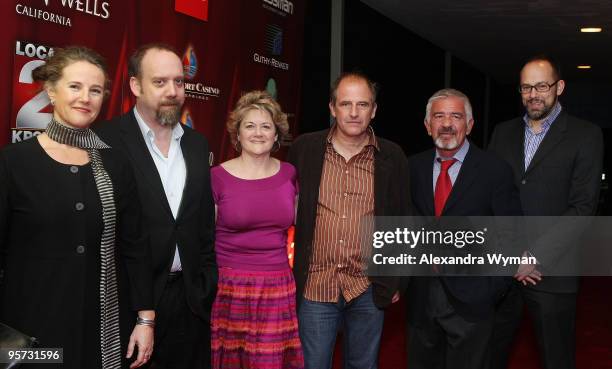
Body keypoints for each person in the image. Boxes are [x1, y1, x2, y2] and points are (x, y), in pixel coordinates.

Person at [0, 46, 154, 369]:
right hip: (30, 332)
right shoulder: (13, 162)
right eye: (75, 87)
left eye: (95, 90)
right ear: (51, 91)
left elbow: (135, 246)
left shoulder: (115, 163)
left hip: (101, 330)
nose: (86, 97)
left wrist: (145, 320)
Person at [95, 43, 217, 369]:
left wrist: (205, 284)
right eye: (160, 82)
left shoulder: (196, 143)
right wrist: (139, 309)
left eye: (179, 82)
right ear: (136, 85)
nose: (173, 91)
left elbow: (204, 225)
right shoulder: (104, 139)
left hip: (191, 302)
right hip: (130, 303)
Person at [287, 71, 411, 369]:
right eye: (345, 104)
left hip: (367, 286)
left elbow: (402, 219)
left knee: (363, 365)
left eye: (363, 104)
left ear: (374, 110)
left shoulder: (392, 156)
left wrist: (397, 279)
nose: (354, 113)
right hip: (316, 284)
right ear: (332, 108)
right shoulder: (305, 148)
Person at [488, 56, 604, 369]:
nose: (533, 94)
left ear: (559, 87)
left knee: (556, 359)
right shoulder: (502, 133)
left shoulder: (586, 135)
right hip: (502, 272)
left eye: (542, 85)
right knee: (487, 357)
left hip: (552, 272)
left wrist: (534, 256)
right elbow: (491, 197)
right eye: (526, 87)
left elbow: (583, 207)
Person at [406, 88, 522, 369]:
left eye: (456, 116)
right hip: (421, 298)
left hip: (473, 300)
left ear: (469, 125)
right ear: (427, 125)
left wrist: (492, 289)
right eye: (439, 116)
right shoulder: (412, 168)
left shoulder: (495, 170)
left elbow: (512, 234)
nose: (447, 124)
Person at [210, 90, 303, 368]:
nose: (258, 133)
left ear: (277, 135)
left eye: (266, 126)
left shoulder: (290, 173)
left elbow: (302, 222)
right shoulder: (217, 177)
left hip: (277, 285)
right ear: (237, 134)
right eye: (249, 125)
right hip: (230, 287)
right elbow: (202, 239)